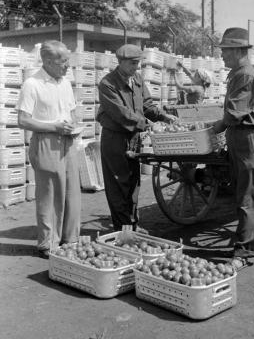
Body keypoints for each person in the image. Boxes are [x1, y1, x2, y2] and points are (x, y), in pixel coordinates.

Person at [96, 44, 177, 232]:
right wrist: (148, 125)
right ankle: (122, 229)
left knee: (133, 182)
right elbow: (121, 114)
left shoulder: (137, 79)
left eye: (138, 63)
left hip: (134, 137)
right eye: (132, 63)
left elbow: (147, 105)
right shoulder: (107, 84)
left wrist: (164, 116)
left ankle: (131, 224)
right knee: (118, 184)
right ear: (121, 62)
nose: (136, 67)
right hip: (115, 139)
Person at [212, 27, 254, 271]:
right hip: (239, 139)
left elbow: (234, 113)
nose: (222, 56)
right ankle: (243, 245)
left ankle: (246, 253)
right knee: (242, 195)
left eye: (225, 51)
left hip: (249, 141)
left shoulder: (245, 75)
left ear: (238, 51)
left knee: (250, 197)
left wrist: (211, 129)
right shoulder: (238, 73)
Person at [16, 40, 81, 259]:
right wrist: (53, 126)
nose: (67, 66)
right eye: (63, 62)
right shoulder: (32, 84)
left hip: (68, 141)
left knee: (72, 191)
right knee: (50, 194)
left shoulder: (65, 82)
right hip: (46, 142)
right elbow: (23, 120)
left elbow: (72, 111)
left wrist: (73, 124)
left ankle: (70, 240)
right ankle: (48, 244)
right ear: (48, 61)